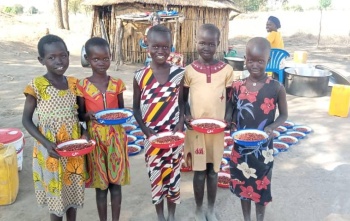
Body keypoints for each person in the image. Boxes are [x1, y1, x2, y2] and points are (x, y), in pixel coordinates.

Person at [22, 34, 85, 221]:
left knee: (72, 193)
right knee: (56, 198)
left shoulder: (74, 84)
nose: (59, 61)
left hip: (73, 148)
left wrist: (85, 131)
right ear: (41, 60)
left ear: (68, 55)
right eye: (51, 57)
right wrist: (47, 143)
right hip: (50, 150)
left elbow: (81, 116)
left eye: (63, 55)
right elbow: (26, 120)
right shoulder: (36, 86)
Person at [227, 37, 288, 221]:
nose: (255, 65)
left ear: (267, 61)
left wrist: (272, 127)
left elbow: (284, 115)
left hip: (264, 150)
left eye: (260, 61)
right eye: (251, 60)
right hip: (241, 149)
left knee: (260, 186)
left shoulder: (276, 88)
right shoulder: (238, 85)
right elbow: (231, 108)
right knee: (243, 185)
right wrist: (230, 123)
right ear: (245, 59)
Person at [133, 24, 185, 221]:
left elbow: (182, 103)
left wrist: (180, 125)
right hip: (152, 138)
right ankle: (160, 215)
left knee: (173, 175)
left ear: (171, 47)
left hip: (173, 137)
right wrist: (147, 132)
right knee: (156, 177)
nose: (161, 51)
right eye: (156, 46)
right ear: (147, 46)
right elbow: (136, 109)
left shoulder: (178, 73)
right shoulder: (140, 75)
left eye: (165, 47)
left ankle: (171, 214)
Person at [183, 23, 234, 221]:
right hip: (196, 130)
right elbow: (183, 100)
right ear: (196, 43)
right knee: (199, 171)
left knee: (213, 171)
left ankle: (211, 209)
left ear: (218, 44)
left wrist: (228, 117)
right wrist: (187, 116)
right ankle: (198, 208)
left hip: (217, 130)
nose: (206, 48)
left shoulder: (227, 70)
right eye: (202, 43)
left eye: (211, 44)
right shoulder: (189, 70)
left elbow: (231, 99)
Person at [76, 37, 130, 221]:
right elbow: (80, 115)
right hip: (96, 140)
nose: (101, 63)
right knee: (101, 186)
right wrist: (88, 116)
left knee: (116, 184)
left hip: (116, 138)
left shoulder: (117, 84)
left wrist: (125, 114)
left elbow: (121, 111)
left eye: (105, 58)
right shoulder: (82, 86)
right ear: (88, 59)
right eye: (96, 59)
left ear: (110, 57)